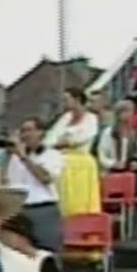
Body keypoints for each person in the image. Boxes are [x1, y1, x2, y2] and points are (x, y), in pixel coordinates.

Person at [2, 117, 65, 253]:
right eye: (22, 131)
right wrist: (7, 156)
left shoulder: (52, 154)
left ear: (41, 133)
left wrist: (23, 156)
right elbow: (4, 181)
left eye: (29, 130)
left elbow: (45, 178)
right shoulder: (14, 157)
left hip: (43, 210)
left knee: (47, 252)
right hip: (19, 209)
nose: (25, 135)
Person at [44, 88, 101, 216]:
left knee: (81, 202)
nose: (64, 103)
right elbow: (51, 139)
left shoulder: (91, 118)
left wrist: (65, 141)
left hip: (82, 162)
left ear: (77, 100)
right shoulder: (65, 118)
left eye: (67, 99)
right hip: (62, 160)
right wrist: (60, 143)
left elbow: (83, 137)